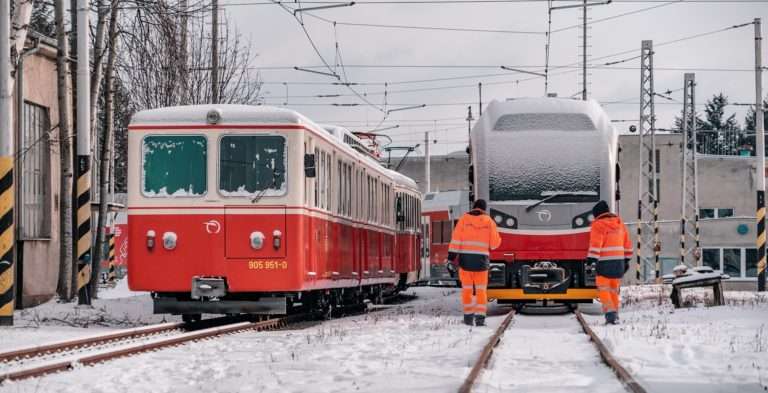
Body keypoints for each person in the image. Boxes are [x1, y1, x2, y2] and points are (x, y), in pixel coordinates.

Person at [447, 199, 502, 327]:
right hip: (481, 262)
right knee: (481, 291)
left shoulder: (464, 220)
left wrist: (451, 258)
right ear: (484, 209)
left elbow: (455, 241)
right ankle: (480, 318)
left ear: (474, 207)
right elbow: (494, 245)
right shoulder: (489, 222)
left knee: (467, 290)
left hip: (465, 261)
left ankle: (468, 318)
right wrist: (499, 239)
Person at [586, 200, 633, 325]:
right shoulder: (619, 223)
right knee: (613, 289)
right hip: (619, 263)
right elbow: (627, 243)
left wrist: (591, 260)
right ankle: (615, 314)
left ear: (597, 214)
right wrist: (627, 260)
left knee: (603, 288)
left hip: (604, 263)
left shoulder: (598, 225)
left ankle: (610, 314)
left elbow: (596, 244)